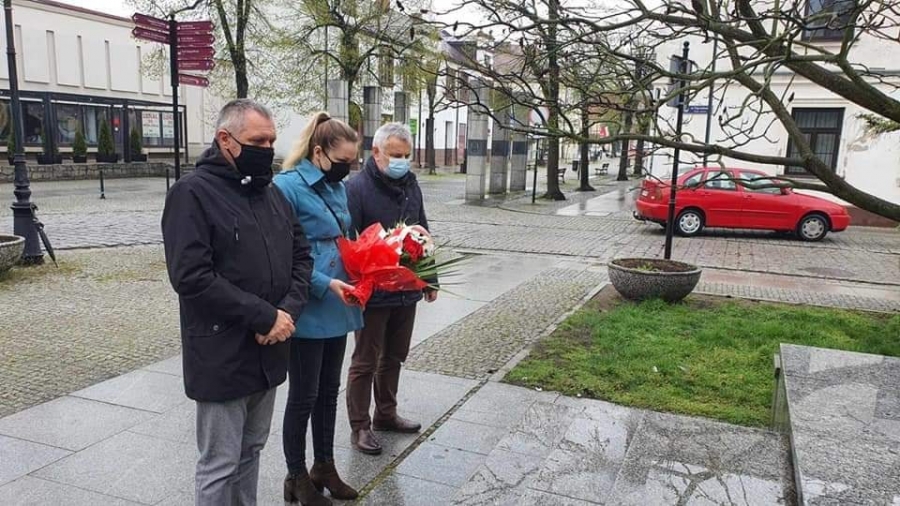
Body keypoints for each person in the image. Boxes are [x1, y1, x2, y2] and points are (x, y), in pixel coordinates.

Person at [161, 99, 313, 506]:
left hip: (270, 349)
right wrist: (264, 317)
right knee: (220, 464)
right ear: (225, 140)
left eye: (272, 141)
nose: (268, 149)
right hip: (223, 352)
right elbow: (191, 277)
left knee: (252, 451)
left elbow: (302, 256)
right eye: (258, 141)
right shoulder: (191, 194)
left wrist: (286, 313)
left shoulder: (272, 193)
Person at [273, 112, 363, 506]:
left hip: (340, 300)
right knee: (303, 395)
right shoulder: (287, 186)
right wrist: (325, 283)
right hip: (309, 301)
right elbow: (285, 254)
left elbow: (344, 235)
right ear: (319, 152)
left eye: (353, 161)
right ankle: (296, 475)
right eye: (343, 160)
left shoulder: (335, 185)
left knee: (328, 391)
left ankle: (324, 465)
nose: (348, 168)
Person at [344, 122, 438, 456]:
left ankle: (386, 413)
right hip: (373, 291)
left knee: (395, 355)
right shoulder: (357, 188)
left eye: (406, 155)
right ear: (376, 152)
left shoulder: (411, 184)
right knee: (365, 360)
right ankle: (360, 426)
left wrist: (429, 277)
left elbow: (422, 230)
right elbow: (349, 241)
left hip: (406, 288)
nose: (402, 161)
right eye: (395, 155)